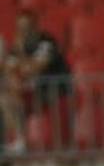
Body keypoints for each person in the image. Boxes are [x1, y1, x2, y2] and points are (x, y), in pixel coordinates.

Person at [1, 10, 71, 155]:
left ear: (36, 27)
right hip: (31, 93)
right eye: (20, 28)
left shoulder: (46, 42)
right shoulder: (18, 46)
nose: (23, 32)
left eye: (27, 27)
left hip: (53, 91)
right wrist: (15, 74)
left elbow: (34, 68)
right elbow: (8, 68)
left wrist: (20, 57)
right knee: (4, 99)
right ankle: (21, 141)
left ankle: (64, 152)